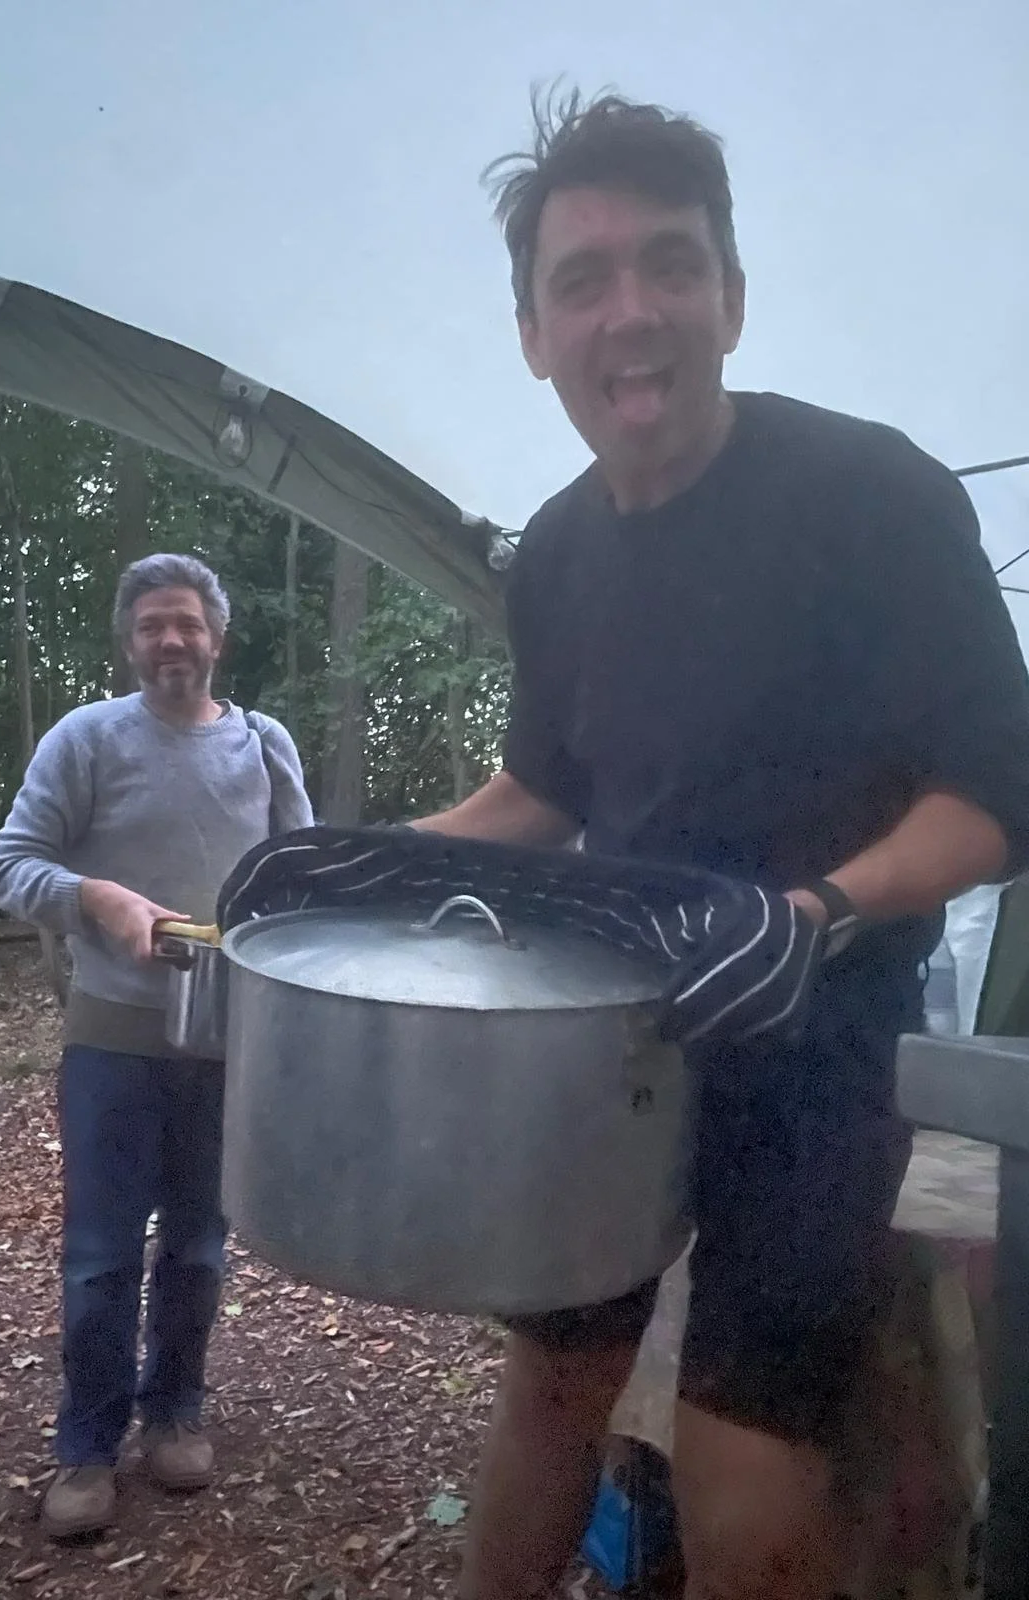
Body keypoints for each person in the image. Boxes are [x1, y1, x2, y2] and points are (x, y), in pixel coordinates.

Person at [410, 91, 1029, 1599]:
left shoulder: (873, 497)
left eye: (671, 265)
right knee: (552, 1393)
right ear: (532, 333)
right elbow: (542, 789)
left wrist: (819, 909)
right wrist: (346, 866)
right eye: (585, 279)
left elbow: (999, 794)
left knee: (747, 1491)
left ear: (732, 299)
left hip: (825, 1057)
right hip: (611, 1057)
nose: (633, 312)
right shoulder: (553, 554)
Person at [0, 551, 313, 1540]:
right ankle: (85, 1446)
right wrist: (96, 898)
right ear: (129, 643)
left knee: (200, 1243)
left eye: (188, 623)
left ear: (217, 636)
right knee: (97, 1254)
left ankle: (175, 1410)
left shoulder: (263, 746)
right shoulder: (85, 740)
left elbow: (303, 877)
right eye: (152, 627)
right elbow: (10, 864)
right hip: (113, 1040)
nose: (172, 641)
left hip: (228, 1042)